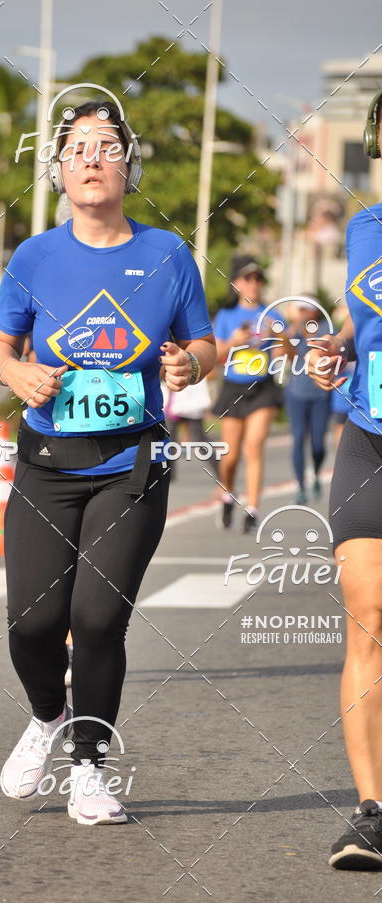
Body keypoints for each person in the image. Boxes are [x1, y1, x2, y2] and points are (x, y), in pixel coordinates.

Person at [0, 99, 215, 824]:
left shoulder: (168, 255)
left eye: (106, 144)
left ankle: (89, 768)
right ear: (57, 170)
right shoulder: (34, 257)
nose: (91, 157)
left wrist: (188, 366)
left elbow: (204, 345)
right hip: (47, 462)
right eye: (77, 146)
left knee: (97, 615)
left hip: (130, 462)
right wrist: (17, 375)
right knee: (31, 622)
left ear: (128, 164)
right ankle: (48, 714)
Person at [306, 89, 382, 869]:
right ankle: (373, 813)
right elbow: (366, 316)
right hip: (369, 440)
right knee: (368, 614)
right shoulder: (365, 229)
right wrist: (338, 348)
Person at [212, 256, 290, 532]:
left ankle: (253, 509)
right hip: (233, 387)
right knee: (230, 455)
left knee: (254, 446)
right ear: (235, 283)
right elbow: (214, 354)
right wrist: (235, 341)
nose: (254, 283)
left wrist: (279, 338)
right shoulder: (226, 316)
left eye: (258, 278)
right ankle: (227, 495)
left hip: (263, 388)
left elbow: (288, 353)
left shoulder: (273, 314)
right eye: (248, 278)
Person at [284, 297, 331, 504]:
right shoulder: (293, 331)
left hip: (321, 394)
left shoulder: (325, 328)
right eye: (300, 309)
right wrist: (292, 334)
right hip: (296, 393)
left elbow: (331, 353)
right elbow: (288, 357)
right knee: (299, 437)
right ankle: (301, 487)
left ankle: (317, 473)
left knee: (318, 443)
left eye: (307, 310)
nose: (303, 313)